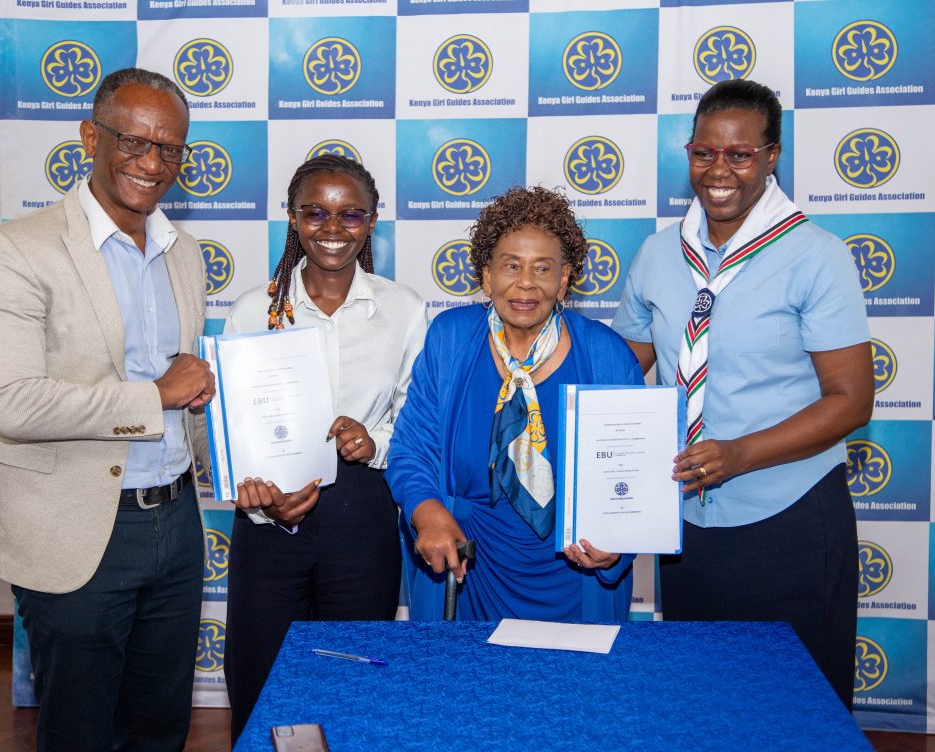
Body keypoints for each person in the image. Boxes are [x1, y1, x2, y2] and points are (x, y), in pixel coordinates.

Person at [0, 68, 215, 751]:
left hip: (176, 523)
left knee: (159, 727)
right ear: (90, 137)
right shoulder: (18, 249)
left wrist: (243, 455)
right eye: (133, 141)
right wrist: (157, 394)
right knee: (78, 731)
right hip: (76, 527)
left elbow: (189, 393)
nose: (152, 163)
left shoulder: (185, 253)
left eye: (170, 149)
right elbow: (12, 400)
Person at [612, 79, 872, 709]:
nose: (719, 171)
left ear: (772, 155)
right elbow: (620, 370)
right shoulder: (658, 253)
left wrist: (740, 454)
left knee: (796, 709)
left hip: (789, 515)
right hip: (688, 521)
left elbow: (850, 400)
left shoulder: (816, 255)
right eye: (704, 153)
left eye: (740, 155)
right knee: (703, 705)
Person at [223, 154, 427, 743]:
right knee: (260, 680)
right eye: (314, 212)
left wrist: (373, 441)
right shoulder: (252, 310)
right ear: (292, 217)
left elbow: (418, 420)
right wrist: (260, 500)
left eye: (350, 214)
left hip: (362, 516)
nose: (332, 227)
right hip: (268, 517)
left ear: (372, 221)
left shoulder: (403, 309)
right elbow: (229, 428)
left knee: (352, 682)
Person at [386, 185, 641, 623]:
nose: (526, 282)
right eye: (511, 266)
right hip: (466, 569)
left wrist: (620, 539)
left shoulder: (607, 356)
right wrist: (427, 512)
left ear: (564, 279)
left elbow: (636, 474)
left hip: (575, 577)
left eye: (543, 268)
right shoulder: (450, 339)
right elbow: (411, 450)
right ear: (486, 277)